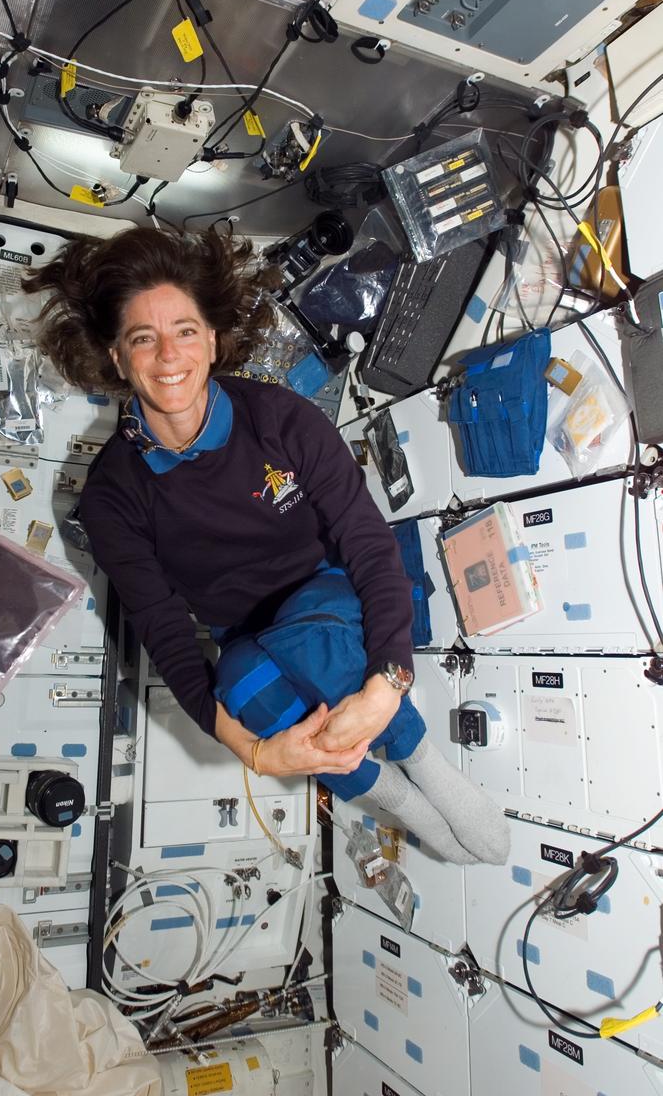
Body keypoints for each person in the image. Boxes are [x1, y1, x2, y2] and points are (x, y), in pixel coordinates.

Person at [25, 227, 508, 866]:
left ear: (215, 340)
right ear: (117, 357)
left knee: (310, 641)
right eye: (144, 337)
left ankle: (423, 760)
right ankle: (399, 799)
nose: (169, 354)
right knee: (238, 680)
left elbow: (366, 541)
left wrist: (388, 683)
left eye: (187, 331)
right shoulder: (112, 497)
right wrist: (257, 752)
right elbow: (166, 634)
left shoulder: (279, 418)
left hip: (327, 595)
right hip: (243, 632)